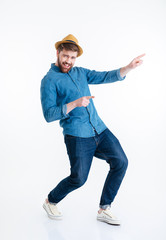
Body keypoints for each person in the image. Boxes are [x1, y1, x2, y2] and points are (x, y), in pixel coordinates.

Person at [40, 34, 145, 225]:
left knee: (121, 161)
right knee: (78, 178)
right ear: (58, 53)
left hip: (99, 129)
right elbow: (49, 114)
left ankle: (104, 209)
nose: (68, 61)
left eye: (72, 57)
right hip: (77, 135)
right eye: (65, 56)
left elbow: (104, 76)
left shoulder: (80, 72)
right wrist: (74, 104)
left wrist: (129, 67)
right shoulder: (49, 80)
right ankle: (51, 201)